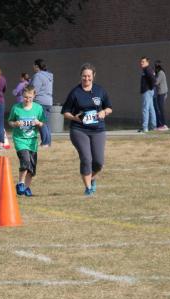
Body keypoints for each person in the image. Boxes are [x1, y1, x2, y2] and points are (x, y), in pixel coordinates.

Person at [62, 63, 112, 196]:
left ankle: (92, 177)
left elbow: (109, 107)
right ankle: (88, 188)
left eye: (89, 76)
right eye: (84, 76)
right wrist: (75, 118)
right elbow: (65, 112)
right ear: (80, 77)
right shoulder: (75, 92)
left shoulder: (100, 90)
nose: (86, 79)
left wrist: (104, 112)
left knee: (99, 162)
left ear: (93, 76)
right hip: (79, 129)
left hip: (98, 129)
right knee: (86, 158)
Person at [8, 84, 46, 197]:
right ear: (22, 96)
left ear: (34, 96)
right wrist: (15, 123)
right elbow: (10, 121)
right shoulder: (16, 108)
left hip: (32, 141)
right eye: (25, 97)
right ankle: (20, 183)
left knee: (32, 168)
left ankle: (26, 188)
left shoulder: (38, 108)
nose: (27, 100)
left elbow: (43, 122)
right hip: (20, 140)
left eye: (29, 97)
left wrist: (38, 123)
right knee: (25, 161)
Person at [30, 59, 53, 147]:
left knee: (41, 122)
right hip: (49, 101)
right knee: (46, 123)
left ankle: (45, 142)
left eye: (33, 66)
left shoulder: (38, 76)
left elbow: (34, 89)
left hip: (40, 101)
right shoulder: (49, 76)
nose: (33, 67)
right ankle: (48, 142)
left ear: (36, 66)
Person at [138, 56, 156, 133]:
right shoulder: (146, 69)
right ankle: (153, 126)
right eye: (141, 61)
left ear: (147, 62)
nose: (141, 63)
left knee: (145, 109)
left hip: (147, 91)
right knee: (151, 108)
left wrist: (151, 88)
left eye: (143, 62)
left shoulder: (147, 69)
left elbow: (153, 79)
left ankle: (145, 127)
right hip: (148, 91)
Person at [154, 60, 169, 130]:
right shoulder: (160, 73)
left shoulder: (160, 73)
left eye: (156, 66)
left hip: (162, 93)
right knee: (159, 109)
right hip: (161, 93)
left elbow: (156, 82)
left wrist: (153, 76)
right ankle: (160, 125)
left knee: (161, 109)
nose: (155, 68)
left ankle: (164, 125)